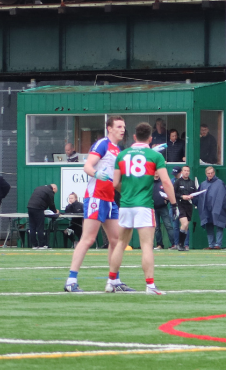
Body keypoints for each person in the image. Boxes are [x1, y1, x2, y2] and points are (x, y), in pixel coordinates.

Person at [108, 122, 175, 294]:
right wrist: (174, 203)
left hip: (125, 204)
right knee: (146, 246)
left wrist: (128, 192)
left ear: (134, 137)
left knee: (121, 243)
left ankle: (111, 281)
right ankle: (150, 285)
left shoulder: (122, 155)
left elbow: (115, 183)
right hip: (144, 205)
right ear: (151, 138)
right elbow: (166, 181)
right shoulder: (155, 156)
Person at [64, 116, 128, 291]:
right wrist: (96, 174)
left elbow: (117, 178)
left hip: (109, 199)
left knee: (116, 240)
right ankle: (71, 281)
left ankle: (114, 281)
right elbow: (88, 166)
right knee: (88, 239)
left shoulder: (118, 149)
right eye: (119, 126)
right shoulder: (103, 144)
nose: (123, 129)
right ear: (109, 128)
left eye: (124, 126)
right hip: (96, 196)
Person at [194, 165, 226, 249]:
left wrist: (225, 207)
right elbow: (199, 197)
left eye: (211, 173)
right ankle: (211, 244)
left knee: (219, 225)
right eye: (208, 173)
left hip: (218, 209)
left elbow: (224, 196)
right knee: (209, 226)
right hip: (206, 209)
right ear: (206, 174)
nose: (210, 175)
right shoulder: (203, 184)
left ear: (214, 173)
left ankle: (218, 244)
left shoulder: (219, 183)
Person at [151, 171, 179, 249]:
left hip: (163, 207)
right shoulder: (150, 182)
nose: (156, 173)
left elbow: (170, 193)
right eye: (155, 171)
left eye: (157, 171)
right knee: (156, 228)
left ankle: (174, 244)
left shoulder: (163, 182)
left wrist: (168, 199)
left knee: (168, 226)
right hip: (153, 208)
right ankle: (159, 244)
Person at [173, 164, 197, 251]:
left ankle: (182, 245)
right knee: (184, 224)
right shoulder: (178, 182)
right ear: (182, 172)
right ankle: (179, 244)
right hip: (180, 205)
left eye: (188, 171)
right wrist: (182, 196)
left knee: (186, 226)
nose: (186, 172)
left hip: (189, 205)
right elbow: (173, 193)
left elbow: (195, 192)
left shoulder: (191, 182)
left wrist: (192, 196)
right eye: (185, 171)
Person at [26, 182, 57, 249]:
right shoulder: (50, 191)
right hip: (38, 209)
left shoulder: (39, 188)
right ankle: (42, 245)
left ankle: (34, 245)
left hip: (30, 207)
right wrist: (55, 212)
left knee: (32, 227)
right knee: (40, 227)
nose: (54, 193)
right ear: (54, 188)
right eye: (55, 192)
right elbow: (51, 204)